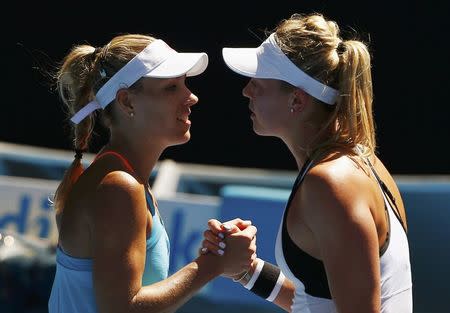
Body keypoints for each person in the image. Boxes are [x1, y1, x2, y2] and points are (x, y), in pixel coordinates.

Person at [201, 13, 412, 313]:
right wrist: (247, 271)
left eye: (259, 82)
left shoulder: (331, 184)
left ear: (297, 101)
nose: (247, 90)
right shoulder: (357, 163)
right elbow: (316, 301)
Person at [48, 33, 258, 313]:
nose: (191, 97)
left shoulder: (123, 180)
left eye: (185, 84)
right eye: (171, 87)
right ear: (127, 102)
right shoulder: (118, 187)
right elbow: (124, 308)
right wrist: (214, 264)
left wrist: (214, 259)